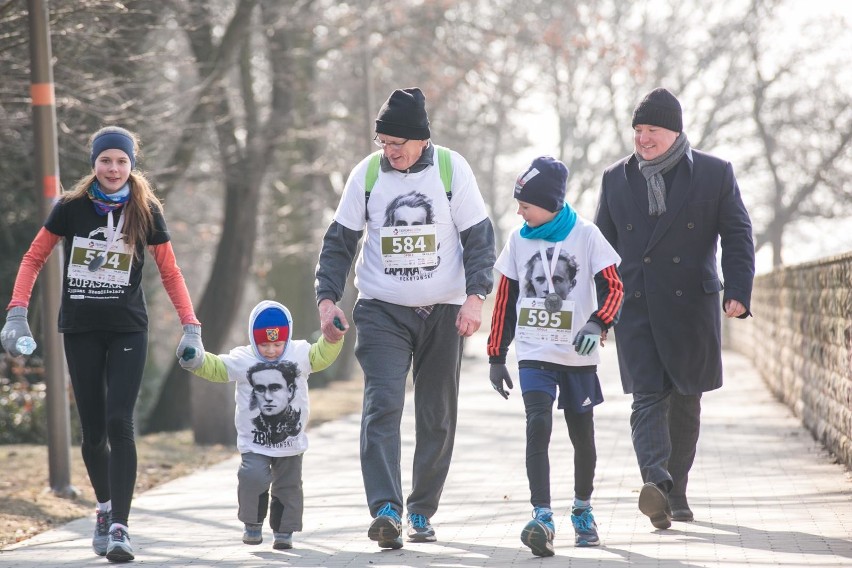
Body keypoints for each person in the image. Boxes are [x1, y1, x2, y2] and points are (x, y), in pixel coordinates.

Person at [0, 126, 204, 562]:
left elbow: (170, 272)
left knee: (119, 423)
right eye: (106, 160)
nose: (114, 169)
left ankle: (119, 528)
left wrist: (191, 326)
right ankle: (105, 507)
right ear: (94, 164)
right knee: (93, 433)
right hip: (81, 330)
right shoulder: (71, 209)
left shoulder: (146, 210)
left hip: (129, 328)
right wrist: (17, 313)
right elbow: (33, 257)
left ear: (132, 166)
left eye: (122, 161)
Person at [315, 87, 496, 549]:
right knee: (383, 403)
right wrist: (327, 298)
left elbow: (478, 238)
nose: (390, 152)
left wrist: (476, 298)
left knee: (436, 413)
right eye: (384, 143)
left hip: (445, 311)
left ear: (421, 141)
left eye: (398, 144)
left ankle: (420, 510)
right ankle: (386, 509)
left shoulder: (452, 170)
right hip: (381, 310)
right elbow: (340, 241)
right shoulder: (368, 173)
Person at [594, 88, 755, 530]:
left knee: (685, 400)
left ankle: (674, 493)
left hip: (691, 306)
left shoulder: (713, 173)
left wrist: (738, 290)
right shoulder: (614, 178)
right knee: (646, 397)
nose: (643, 139)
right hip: (637, 305)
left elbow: (738, 235)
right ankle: (657, 485)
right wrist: (600, 311)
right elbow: (601, 251)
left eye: (653, 131)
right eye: (638, 130)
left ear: (676, 131)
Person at [487, 156, 624, 556]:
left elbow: (615, 287)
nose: (519, 211)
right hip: (535, 352)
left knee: (583, 436)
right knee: (537, 426)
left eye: (525, 204)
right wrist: (497, 355)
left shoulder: (586, 235)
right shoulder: (518, 240)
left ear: (549, 203)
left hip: (577, 355)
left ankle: (582, 509)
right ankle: (542, 516)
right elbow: (505, 301)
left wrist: (599, 323)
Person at [178, 300, 343, 550]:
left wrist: (333, 337)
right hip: (254, 442)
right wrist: (197, 360)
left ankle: (284, 531)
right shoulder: (243, 359)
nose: (271, 350)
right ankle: (252, 524)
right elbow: (218, 368)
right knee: (252, 477)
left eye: (277, 344)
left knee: (288, 486)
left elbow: (321, 355)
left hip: (291, 442)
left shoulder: (298, 354)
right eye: (264, 344)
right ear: (254, 340)